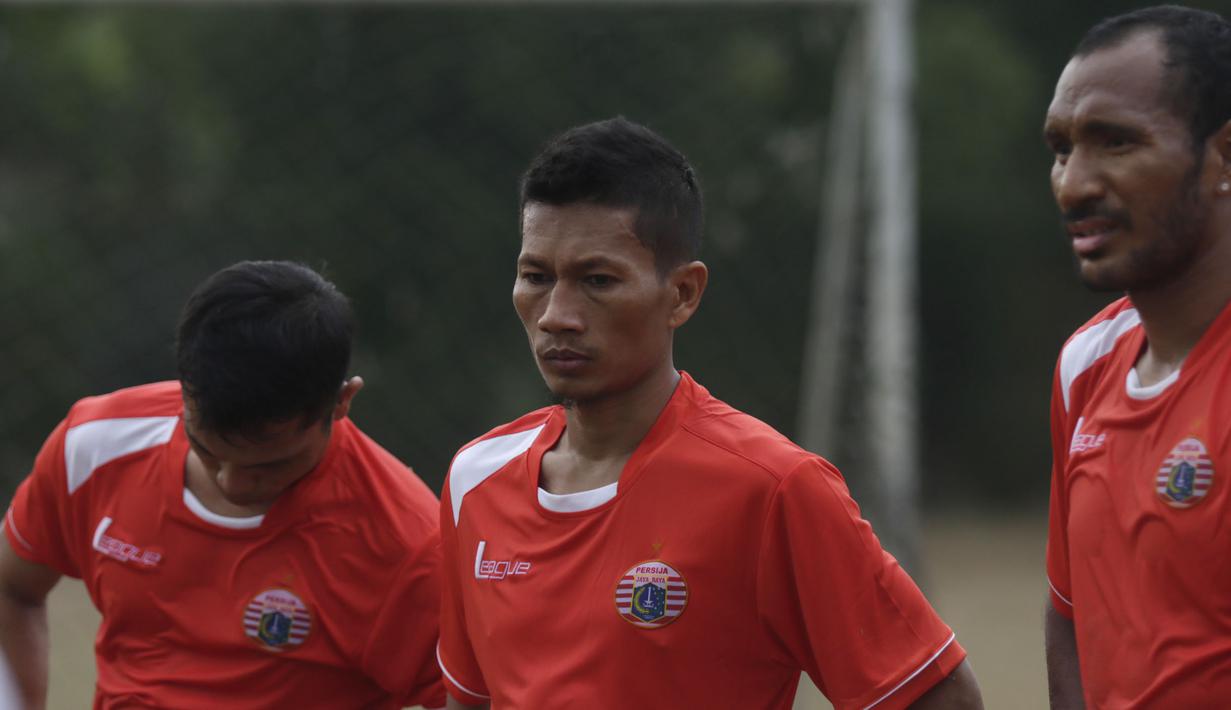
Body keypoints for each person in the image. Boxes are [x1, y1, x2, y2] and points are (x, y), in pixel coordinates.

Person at [435, 118, 982, 710]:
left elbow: (939, 698)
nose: (555, 315)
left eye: (598, 280)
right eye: (536, 277)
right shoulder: (476, 479)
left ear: (683, 294)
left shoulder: (772, 488)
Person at [0, 261, 445, 709]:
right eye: (206, 451)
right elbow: (12, 587)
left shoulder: (407, 544)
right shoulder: (97, 445)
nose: (232, 483)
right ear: (186, 388)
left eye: (269, 465)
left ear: (341, 401)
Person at [1041, 5, 1231, 707]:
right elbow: (1071, 615)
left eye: (1115, 142)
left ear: (1224, 156)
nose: (1074, 183)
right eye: (1061, 149)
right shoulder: (1084, 364)